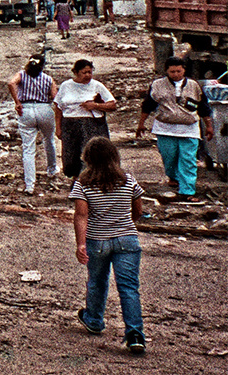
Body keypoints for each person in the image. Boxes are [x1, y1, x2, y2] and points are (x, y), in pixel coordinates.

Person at [70, 137, 146, 355]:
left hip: (98, 240)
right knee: (129, 287)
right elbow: (138, 211)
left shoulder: (83, 184)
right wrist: (125, 225)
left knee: (97, 281)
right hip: (127, 239)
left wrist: (80, 244)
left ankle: (94, 319)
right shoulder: (128, 181)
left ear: (88, 159)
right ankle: (134, 333)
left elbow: (81, 216)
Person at [136, 56, 213, 203]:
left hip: (189, 128)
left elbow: (203, 107)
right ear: (167, 71)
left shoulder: (193, 85)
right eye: (172, 72)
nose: (176, 74)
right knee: (168, 156)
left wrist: (208, 126)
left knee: (188, 159)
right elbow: (148, 105)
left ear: (184, 70)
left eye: (179, 71)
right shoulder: (158, 85)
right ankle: (174, 176)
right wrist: (141, 123)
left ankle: (187, 190)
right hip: (166, 128)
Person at [55, 59, 117, 179]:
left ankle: (86, 182)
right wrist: (58, 127)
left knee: (88, 155)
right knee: (70, 157)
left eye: (90, 72)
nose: (88, 75)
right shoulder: (66, 86)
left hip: (91, 125)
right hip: (70, 124)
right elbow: (58, 107)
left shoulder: (97, 86)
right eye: (84, 72)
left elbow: (112, 105)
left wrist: (95, 105)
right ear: (76, 72)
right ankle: (75, 179)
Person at [9, 56, 59, 194]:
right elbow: (55, 97)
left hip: (25, 109)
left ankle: (30, 184)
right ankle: (52, 169)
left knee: (28, 148)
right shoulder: (48, 79)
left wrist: (17, 101)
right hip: (44, 109)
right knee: (49, 140)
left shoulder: (22, 75)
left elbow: (11, 83)